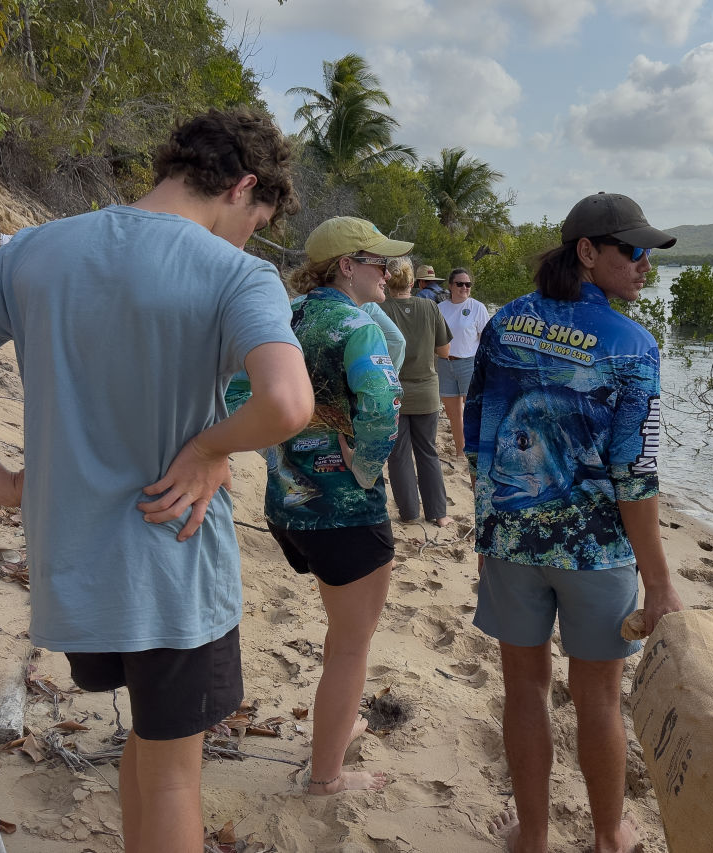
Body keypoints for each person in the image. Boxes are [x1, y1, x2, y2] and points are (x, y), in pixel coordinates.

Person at [0, 108, 314, 852]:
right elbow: (288, 403)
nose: (250, 236)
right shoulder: (235, 272)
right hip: (174, 568)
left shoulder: (34, 250)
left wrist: (1, 484)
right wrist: (209, 449)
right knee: (172, 777)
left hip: (76, 571)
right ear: (243, 186)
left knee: (148, 747)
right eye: (256, 218)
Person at [465, 192, 684, 853]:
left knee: (525, 688)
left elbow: (479, 433)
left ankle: (532, 836)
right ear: (588, 252)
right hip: (595, 554)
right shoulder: (633, 344)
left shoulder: (504, 324)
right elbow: (634, 476)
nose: (646, 264)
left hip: (510, 540)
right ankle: (610, 834)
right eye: (634, 250)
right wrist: (661, 579)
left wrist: (492, 527)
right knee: (598, 698)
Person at [237, 215, 408, 796]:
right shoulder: (359, 327)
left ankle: (337, 728)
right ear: (347, 266)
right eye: (379, 261)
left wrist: (280, 456)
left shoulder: (283, 318)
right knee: (351, 648)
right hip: (347, 514)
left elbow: (239, 395)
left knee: (341, 636)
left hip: (288, 507)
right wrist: (362, 465)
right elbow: (382, 407)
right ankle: (327, 778)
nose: (389, 272)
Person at [382, 256, 453, 526]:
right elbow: (444, 351)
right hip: (426, 390)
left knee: (398, 454)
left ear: (388, 281)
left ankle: (409, 513)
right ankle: (438, 513)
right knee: (427, 451)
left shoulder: (379, 309)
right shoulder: (429, 307)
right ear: (412, 281)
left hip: (393, 391)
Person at [438, 268, 489, 457]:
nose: (464, 287)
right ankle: (460, 452)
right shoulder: (440, 308)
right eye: (460, 284)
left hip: (469, 363)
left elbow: (486, 339)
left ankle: (479, 451)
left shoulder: (478, 307)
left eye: (468, 284)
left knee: (474, 411)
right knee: (453, 414)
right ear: (450, 286)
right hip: (444, 363)